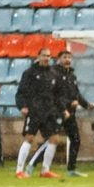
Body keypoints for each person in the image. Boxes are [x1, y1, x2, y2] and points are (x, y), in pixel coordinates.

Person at [26, 50, 94, 177]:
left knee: (75, 139)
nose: (67, 59)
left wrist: (86, 104)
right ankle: (31, 164)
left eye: (69, 57)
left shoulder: (72, 75)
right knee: (51, 139)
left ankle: (71, 169)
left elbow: (76, 93)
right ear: (59, 59)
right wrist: (65, 107)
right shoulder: (54, 73)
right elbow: (56, 95)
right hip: (57, 111)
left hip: (70, 113)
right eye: (65, 57)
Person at [14, 48, 62, 179]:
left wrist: (59, 109)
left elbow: (57, 94)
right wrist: (22, 106)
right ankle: (19, 170)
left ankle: (45, 170)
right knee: (29, 138)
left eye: (48, 56)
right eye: (44, 55)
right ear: (38, 56)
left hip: (49, 112)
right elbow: (20, 92)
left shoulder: (53, 73)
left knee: (54, 139)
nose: (46, 58)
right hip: (34, 111)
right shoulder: (30, 73)